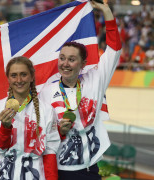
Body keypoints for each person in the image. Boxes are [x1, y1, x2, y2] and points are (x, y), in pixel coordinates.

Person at [39, 0, 122, 179]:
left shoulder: (95, 80)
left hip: (89, 169)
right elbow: (40, 132)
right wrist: (58, 131)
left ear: (83, 64)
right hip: (59, 170)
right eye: (62, 58)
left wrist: (106, 12)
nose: (65, 64)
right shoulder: (46, 91)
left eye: (71, 59)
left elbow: (114, 49)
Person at [0, 56, 60, 180]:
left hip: (35, 174)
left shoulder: (46, 110)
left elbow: (50, 153)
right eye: (14, 75)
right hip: (5, 175)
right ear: (8, 78)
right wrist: (5, 127)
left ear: (32, 77)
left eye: (23, 74)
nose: (19, 80)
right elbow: (0, 148)